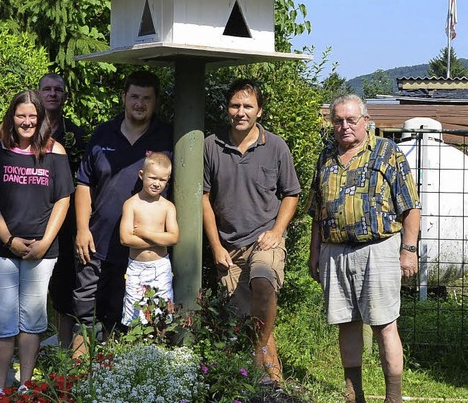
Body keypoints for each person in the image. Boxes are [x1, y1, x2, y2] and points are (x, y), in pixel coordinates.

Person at [308, 94, 421, 403]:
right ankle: (353, 395)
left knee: (385, 324)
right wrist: (314, 253)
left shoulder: (388, 153)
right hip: (335, 252)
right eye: (338, 121)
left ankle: (393, 398)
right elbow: (317, 212)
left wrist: (408, 250)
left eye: (351, 120)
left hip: (379, 249)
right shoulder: (326, 156)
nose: (344, 126)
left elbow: (410, 207)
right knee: (346, 322)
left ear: (366, 122)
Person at [202, 78, 301, 385]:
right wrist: (216, 246)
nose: (241, 112)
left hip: (264, 239)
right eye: (235, 105)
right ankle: (272, 379)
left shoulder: (275, 146)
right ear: (226, 108)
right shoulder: (211, 145)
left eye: (248, 106)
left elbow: (291, 193)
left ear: (259, 111)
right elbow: (203, 198)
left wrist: (277, 230)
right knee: (248, 316)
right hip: (230, 245)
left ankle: (257, 359)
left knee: (263, 280)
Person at [0, 90, 73, 403]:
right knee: (2, 320)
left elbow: (63, 199)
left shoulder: (54, 151)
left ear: (40, 118)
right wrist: (8, 239)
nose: (27, 122)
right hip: (1, 248)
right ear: (12, 116)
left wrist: (45, 242)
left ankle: (25, 386)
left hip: (41, 252)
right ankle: (0, 387)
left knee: (32, 319)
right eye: (21, 115)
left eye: (33, 116)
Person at [73, 70, 173, 355]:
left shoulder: (167, 137)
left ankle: (122, 373)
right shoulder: (103, 133)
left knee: (132, 316)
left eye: (146, 98)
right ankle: (79, 377)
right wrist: (82, 229)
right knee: (85, 309)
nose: (139, 104)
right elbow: (83, 183)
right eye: (134, 97)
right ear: (124, 98)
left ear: (155, 103)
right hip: (97, 242)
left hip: (143, 251)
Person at [40, 73, 85, 349]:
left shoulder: (77, 135)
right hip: (32, 217)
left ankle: (65, 348)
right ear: (38, 93)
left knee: (64, 282)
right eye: (47, 89)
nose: (53, 94)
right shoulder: (25, 129)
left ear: (65, 96)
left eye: (58, 90)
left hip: (66, 220)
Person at [119, 152, 179, 325]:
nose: (156, 183)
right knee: (134, 312)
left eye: (162, 180)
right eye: (152, 178)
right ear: (141, 175)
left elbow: (173, 238)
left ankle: (160, 347)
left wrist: (145, 233)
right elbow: (125, 239)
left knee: (163, 312)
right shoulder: (132, 204)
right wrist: (160, 238)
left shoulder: (167, 207)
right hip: (137, 267)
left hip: (160, 266)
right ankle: (136, 350)